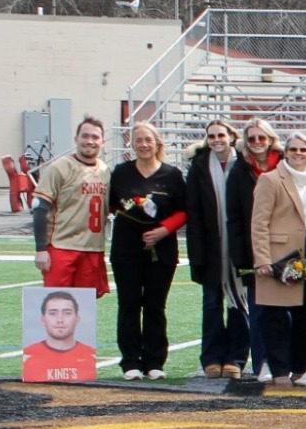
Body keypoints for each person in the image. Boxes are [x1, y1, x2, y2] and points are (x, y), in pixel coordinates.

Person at [109, 122, 188, 380]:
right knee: (129, 304)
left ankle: (155, 362)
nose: (144, 145)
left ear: (157, 143)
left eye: (148, 140)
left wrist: (163, 230)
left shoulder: (172, 175)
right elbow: (111, 205)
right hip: (126, 250)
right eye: (139, 140)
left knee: (155, 305)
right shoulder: (120, 173)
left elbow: (185, 210)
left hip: (162, 250)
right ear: (132, 144)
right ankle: (130, 362)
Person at [251, 133, 306, 387]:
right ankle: (279, 369)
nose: (298, 153)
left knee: (303, 312)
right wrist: (262, 259)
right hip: (279, 255)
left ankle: (300, 366)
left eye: (304, 149)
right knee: (274, 316)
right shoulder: (270, 180)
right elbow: (258, 222)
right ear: (285, 152)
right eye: (293, 149)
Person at [185, 120, 249, 379]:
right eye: (211, 136)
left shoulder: (243, 164)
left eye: (220, 134)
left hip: (237, 244)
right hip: (210, 246)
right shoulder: (199, 166)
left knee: (239, 302)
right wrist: (196, 252)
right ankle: (211, 358)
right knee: (211, 303)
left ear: (231, 137)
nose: (216, 140)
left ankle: (236, 357)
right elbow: (194, 211)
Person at [225, 119, 282, 381]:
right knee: (258, 310)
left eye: (262, 137)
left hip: (285, 247)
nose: (257, 143)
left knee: (287, 310)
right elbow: (234, 217)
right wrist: (241, 255)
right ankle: (262, 364)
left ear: (270, 139)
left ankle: (286, 362)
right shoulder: (239, 171)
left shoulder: (285, 165)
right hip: (253, 250)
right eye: (252, 138)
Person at [31, 116, 111, 296]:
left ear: (103, 142)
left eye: (95, 137)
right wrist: (41, 249)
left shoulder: (105, 170)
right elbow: (39, 207)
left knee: (85, 310)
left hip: (93, 248)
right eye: (85, 136)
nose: (90, 141)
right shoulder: (60, 167)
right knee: (57, 302)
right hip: (62, 247)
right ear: (76, 139)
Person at [23, 290, 97, 382]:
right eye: (53, 313)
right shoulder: (26, 357)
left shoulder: (93, 356)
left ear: (77, 319)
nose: (60, 320)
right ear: (43, 319)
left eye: (67, 313)